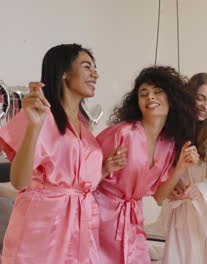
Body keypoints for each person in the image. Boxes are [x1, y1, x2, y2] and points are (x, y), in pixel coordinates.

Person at [0, 44, 125, 263]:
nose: (95, 73)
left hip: (81, 228)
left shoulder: (84, 129)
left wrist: (104, 169)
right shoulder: (39, 116)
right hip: (43, 228)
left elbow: (77, 184)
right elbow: (19, 181)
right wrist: (33, 126)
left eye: (95, 68)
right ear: (64, 72)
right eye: (87, 67)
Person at [93, 65, 199, 264]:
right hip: (100, 217)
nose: (150, 97)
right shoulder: (121, 133)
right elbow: (84, 179)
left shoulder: (168, 143)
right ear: (137, 101)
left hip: (132, 219)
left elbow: (159, 196)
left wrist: (181, 167)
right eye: (144, 93)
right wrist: (104, 169)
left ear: (172, 99)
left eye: (158, 92)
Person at [157, 73, 207, 264]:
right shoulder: (173, 129)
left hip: (206, 212)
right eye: (200, 98)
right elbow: (163, 172)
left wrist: (200, 188)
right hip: (182, 209)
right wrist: (172, 188)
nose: (205, 106)